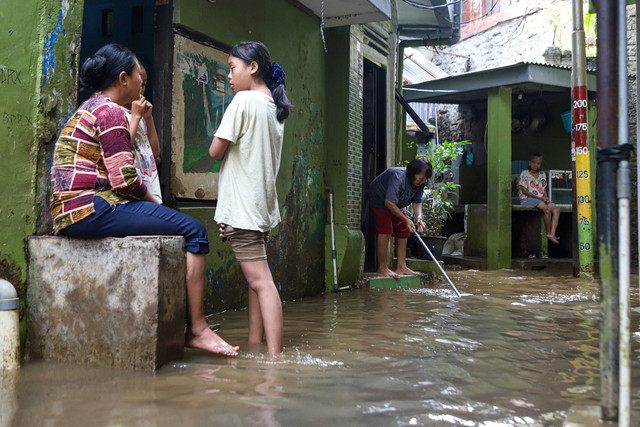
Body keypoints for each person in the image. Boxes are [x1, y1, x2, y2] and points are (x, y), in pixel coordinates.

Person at [50, 43, 238, 357]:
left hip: (75, 211)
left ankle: (195, 328)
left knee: (173, 221)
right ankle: (198, 329)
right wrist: (155, 204)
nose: (141, 83)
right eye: (138, 75)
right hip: (90, 209)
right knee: (195, 231)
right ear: (123, 78)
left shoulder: (92, 106)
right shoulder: (109, 112)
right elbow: (124, 180)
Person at [209, 41, 292, 356]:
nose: (229, 76)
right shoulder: (275, 109)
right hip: (260, 209)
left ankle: (274, 359)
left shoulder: (243, 101)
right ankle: (256, 345)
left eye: (232, 68)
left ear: (253, 67)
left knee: (261, 282)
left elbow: (215, 152)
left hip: (244, 209)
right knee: (257, 281)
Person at [369, 158, 433, 279]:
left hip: (397, 203)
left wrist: (419, 217)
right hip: (381, 200)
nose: (422, 181)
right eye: (420, 178)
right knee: (386, 230)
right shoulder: (397, 177)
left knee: (404, 229)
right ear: (412, 174)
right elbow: (389, 203)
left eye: (424, 179)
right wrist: (406, 219)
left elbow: (417, 201)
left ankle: (401, 267)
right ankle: (382, 268)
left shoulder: (422, 182)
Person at [123, 63, 162, 203]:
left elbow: (155, 152)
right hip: (130, 189)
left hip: (149, 186)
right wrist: (135, 117)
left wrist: (148, 118)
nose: (141, 89)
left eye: (144, 84)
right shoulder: (116, 112)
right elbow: (122, 149)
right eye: (138, 83)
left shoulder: (142, 115)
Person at [518, 152, 561, 245]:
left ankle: (552, 234)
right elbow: (524, 191)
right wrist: (539, 198)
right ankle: (548, 233)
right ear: (529, 163)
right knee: (546, 209)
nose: (535, 165)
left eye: (538, 163)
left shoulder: (542, 174)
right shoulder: (524, 173)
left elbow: (544, 188)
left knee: (556, 210)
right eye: (533, 162)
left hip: (540, 199)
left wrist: (545, 197)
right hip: (527, 198)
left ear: (540, 164)